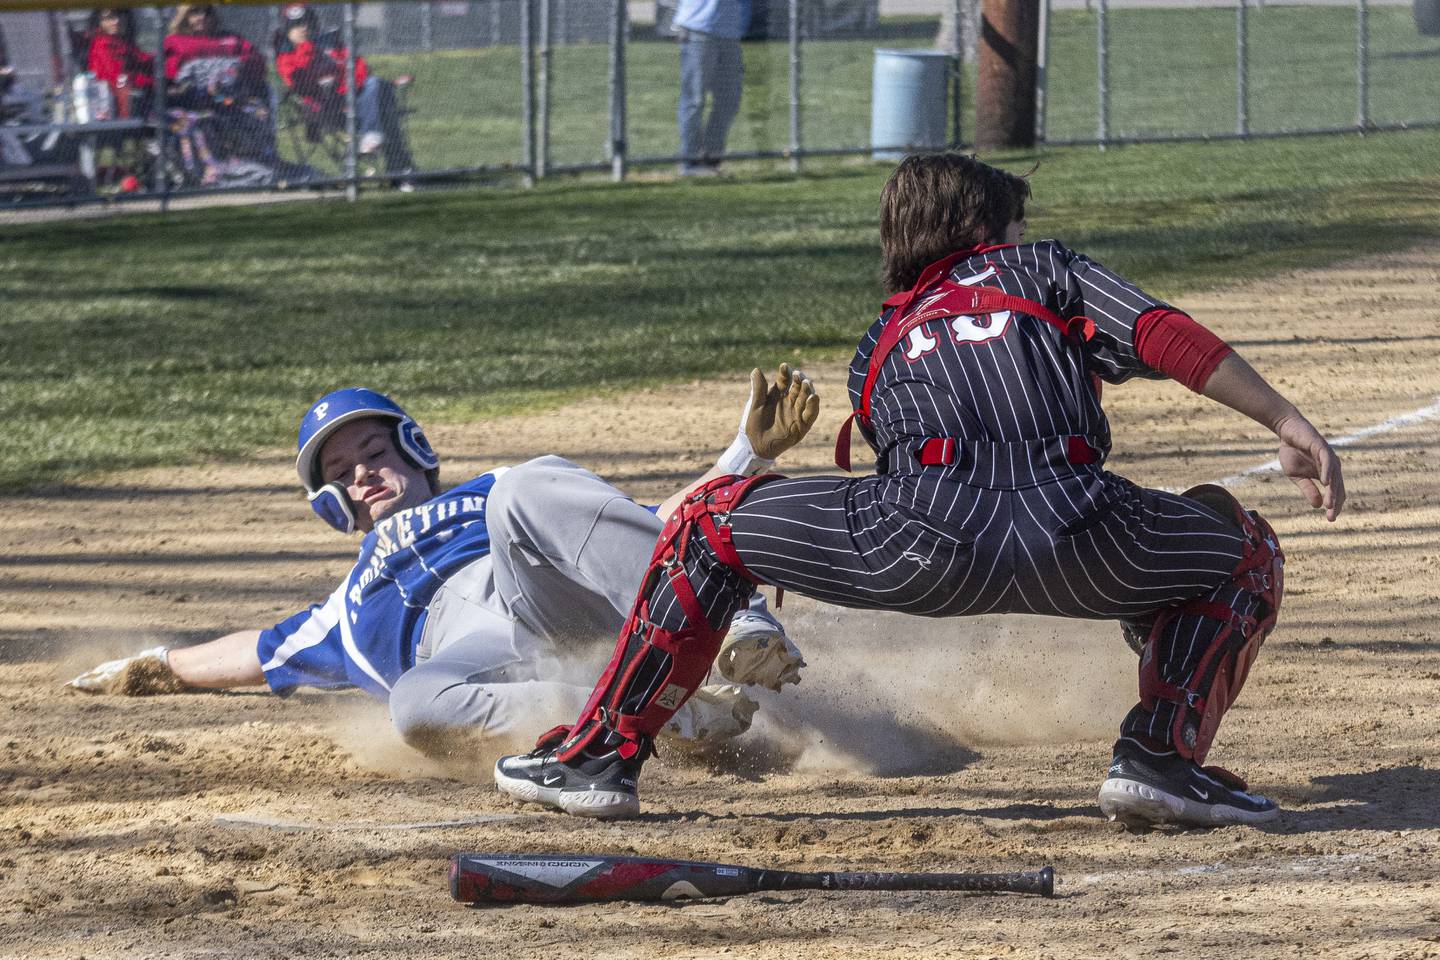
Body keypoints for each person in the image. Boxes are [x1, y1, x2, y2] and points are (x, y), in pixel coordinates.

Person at [495, 152, 1346, 828]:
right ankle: (1160, 761)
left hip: (915, 545)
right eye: (1015, 222)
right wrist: (1283, 417)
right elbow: (1160, 333)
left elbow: (908, 454)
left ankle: (599, 758)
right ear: (984, 228)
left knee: (710, 525)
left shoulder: (881, 339)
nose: (1025, 234)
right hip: (1083, 538)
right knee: (1242, 551)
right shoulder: (1045, 269)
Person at [68, 371, 818, 760]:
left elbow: (631, 532)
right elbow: (257, 652)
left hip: (541, 595)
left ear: (417, 450)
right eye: (343, 471)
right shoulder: (346, 606)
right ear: (332, 506)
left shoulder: (488, 494)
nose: (363, 471)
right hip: (475, 653)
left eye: (374, 452)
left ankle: (735, 626)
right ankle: (671, 717)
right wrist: (159, 661)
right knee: (413, 707)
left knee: (528, 481)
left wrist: (743, 454)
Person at [274, 3, 414, 179]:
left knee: (377, 87)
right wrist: (307, 48)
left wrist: (350, 87)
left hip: (355, 97)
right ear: (287, 30)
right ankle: (402, 171)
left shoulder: (331, 44)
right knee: (384, 107)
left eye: (306, 22)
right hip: (328, 109)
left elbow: (359, 67)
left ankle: (382, 152)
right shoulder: (286, 58)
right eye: (296, 25)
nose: (303, 27)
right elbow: (301, 84)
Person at [673, 0, 750, 176]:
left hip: (730, 30)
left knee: (729, 100)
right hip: (697, 27)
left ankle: (711, 159)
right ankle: (690, 163)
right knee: (694, 99)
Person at [84, 7, 155, 119]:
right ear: (99, 22)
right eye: (109, 18)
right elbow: (118, 78)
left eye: (118, 17)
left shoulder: (121, 42)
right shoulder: (102, 45)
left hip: (140, 98)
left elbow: (144, 59)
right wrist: (153, 82)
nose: (116, 21)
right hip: (121, 106)